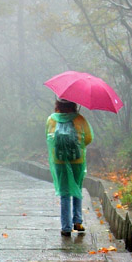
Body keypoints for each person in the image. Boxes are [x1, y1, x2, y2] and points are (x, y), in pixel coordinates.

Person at [46, 98, 93, 237]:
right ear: (73, 104)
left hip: (59, 160)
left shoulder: (51, 119)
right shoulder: (79, 119)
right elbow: (89, 138)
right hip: (77, 160)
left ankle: (66, 227)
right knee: (77, 189)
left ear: (58, 105)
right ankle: (78, 222)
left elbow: (48, 138)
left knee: (64, 193)